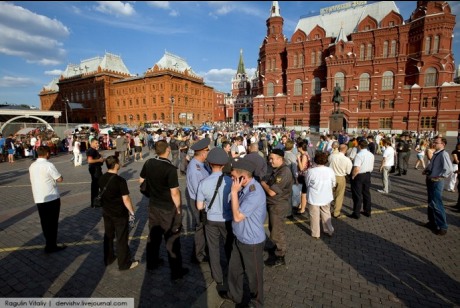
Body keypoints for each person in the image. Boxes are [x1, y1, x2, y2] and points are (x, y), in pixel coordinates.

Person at [139, 140, 189, 280]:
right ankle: (176, 271)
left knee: (154, 236)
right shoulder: (170, 169)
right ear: (167, 150)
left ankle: (152, 262)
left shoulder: (149, 163)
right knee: (172, 239)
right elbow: (174, 192)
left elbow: (141, 181)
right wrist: (178, 208)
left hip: (153, 205)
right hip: (168, 208)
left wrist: (152, 191)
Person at [220, 158, 266, 307]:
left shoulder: (254, 192)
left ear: (243, 178)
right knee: (234, 269)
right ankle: (234, 294)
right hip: (239, 237)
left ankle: (256, 302)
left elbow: (238, 216)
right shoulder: (244, 188)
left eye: (233, 177)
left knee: (254, 276)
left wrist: (234, 192)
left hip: (251, 241)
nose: (232, 180)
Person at [196, 148, 233, 295]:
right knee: (229, 247)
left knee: (213, 249)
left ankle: (218, 278)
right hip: (227, 219)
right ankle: (232, 272)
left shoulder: (203, 182)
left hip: (211, 220)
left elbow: (199, 206)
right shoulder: (230, 181)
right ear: (224, 164)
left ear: (210, 164)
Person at [99, 155, 138, 270]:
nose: (120, 164)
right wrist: (131, 212)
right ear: (116, 165)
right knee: (121, 238)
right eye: (119, 162)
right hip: (119, 213)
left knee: (108, 235)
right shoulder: (120, 180)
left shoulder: (102, 178)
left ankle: (108, 258)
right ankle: (124, 263)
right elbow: (126, 199)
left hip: (106, 211)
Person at [29, 146, 66, 253]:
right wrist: (60, 177)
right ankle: (52, 245)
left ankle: (48, 242)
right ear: (47, 154)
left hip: (39, 197)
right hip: (51, 197)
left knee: (44, 221)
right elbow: (59, 178)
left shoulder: (32, 165)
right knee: (53, 222)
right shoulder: (48, 165)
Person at [260, 148, 293, 267]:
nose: (270, 161)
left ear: (280, 159)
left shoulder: (284, 172)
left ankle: (280, 255)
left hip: (278, 205)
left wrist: (262, 183)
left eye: (272, 159)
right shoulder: (277, 170)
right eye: (269, 158)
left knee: (277, 231)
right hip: (273, 204)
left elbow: (272, 192)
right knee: (273, 228)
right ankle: (275, 247)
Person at [185, 137, 211, 263]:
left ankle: (200, 251)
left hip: (201, 200)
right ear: (203, 153)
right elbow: (197, 190)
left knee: (202, 226)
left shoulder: (202, 164)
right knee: (200, 227)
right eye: (208, 151)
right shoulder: (195, 169)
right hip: (198, 202)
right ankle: (198, 255)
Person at [421, 136, 453, 236]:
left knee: (437, 204)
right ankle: (432, 222)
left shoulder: (444, 154)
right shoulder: (436, 153)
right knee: (431, 202)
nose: (434, 143)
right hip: (431, 179)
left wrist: (439, 177)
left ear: (443, 144)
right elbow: (432, 165)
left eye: (436, 142)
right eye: (434, 142)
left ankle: (443, 226)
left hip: (436, 181)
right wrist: (427, 169)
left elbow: (449, 169)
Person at [305, 152, 336, 239]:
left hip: (314, 197)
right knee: (326, 213)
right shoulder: (330, 170)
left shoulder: (311, 171)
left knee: (314, 216)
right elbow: (333, 183)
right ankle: (329, 230)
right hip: (326, 196)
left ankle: (316, 233)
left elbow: (307, 183)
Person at [348, 139, 375, 219]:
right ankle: (367, 210)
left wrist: (353, 176)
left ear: (359, 146)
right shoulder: (371, 154)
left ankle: (356, 213)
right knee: (366, 193)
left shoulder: (359, 155)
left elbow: (356, 168)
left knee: (357, 194)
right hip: (368, 174)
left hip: (359, 175)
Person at [328, 143, 352, 217]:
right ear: (346, 150)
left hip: (331, 176)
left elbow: (328, 161)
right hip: (341, 177)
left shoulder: (332, 156)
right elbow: (348, 171)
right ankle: (336, 212)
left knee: (328, 194)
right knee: (339, 196)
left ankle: (326, 210)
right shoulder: (347, 160)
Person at [87, 138, 105, 208]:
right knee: (97, 186)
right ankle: (95, 203)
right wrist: (99, 160)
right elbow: (90, 161)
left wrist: (102, 159)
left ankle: (96, 202)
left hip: (97, 169)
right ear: (92, 143)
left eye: (98, 143)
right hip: (95, 170)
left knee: (98, 185)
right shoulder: (91, 150)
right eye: (96, 143)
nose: (98, 144)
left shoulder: (94, 150)